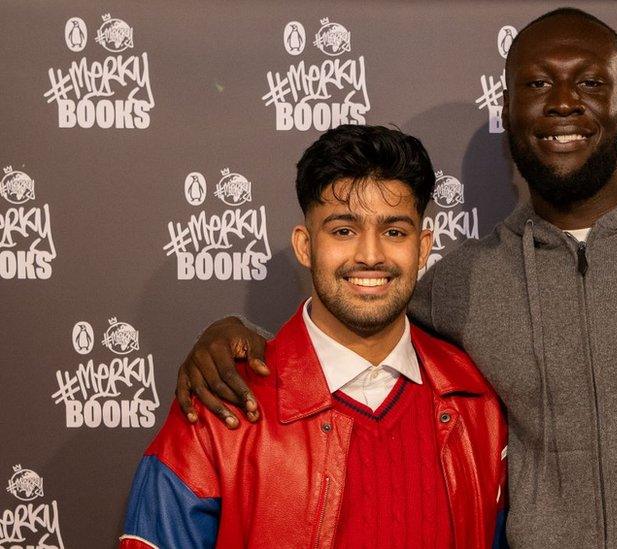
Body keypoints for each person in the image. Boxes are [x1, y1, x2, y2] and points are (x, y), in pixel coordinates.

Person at [175, 8, 617, 548]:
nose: (563, 102)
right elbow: (361, 308)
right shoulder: (467, 282)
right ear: (509, 112)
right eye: (538, 84)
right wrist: (241, 339)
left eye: (590, 82)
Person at [120, 125, 507, 549]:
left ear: (423, 246)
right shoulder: (220, 404)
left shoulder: (477, 402)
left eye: (394, 232)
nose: (371, 255)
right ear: (306, 246)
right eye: (343, 231)